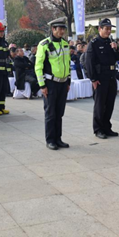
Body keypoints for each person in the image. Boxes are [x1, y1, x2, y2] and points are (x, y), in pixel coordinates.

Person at [34, 17, 71, 150]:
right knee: (50, 113)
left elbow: (68, 64)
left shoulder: (65, 44)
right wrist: (42, 86)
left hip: (62, 83)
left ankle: (58, 138)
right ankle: (50, 140)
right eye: (59, 29)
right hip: (50, 84)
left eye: (63, 29)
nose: (62, 31)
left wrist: (68, 81)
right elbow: (38, 67)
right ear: (53, 29)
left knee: (59, 113)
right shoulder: (44, 44)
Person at [85, 18, 119, 139]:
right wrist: (93, 79)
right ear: (99, 29)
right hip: (100, 78)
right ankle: (98, 129)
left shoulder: (111, 42)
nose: (108, 31)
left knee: (110, 103)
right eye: (106, 28)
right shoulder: (94, 43)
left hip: (111, 75)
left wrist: (116, 48)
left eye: (109, 29)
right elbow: (89, 62)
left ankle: (107, 127)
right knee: (100, 105)